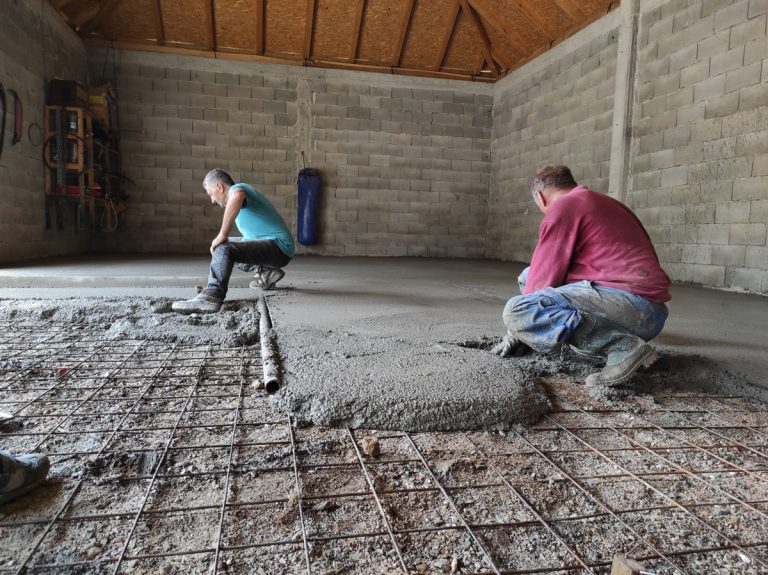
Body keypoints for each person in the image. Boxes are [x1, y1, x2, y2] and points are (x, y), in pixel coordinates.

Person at [492, 166, 671, 387]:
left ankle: (622, 348)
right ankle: (616, 341)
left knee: (517, 310)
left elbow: (541, 281)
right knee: (526, 276)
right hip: (651, 313)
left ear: (540, 197)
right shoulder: (607, 204)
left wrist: (517, 331)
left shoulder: (563, 208)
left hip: (630, 307)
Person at [173, 169, 295, 313]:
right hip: (275, 248)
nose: (212, 200)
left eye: (210, 194)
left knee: (224, 248)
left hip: (278, 246)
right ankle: (267, 273)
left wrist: (222, 234)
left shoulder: (237, 189)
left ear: (219, 186)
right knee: (221, 248)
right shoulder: (240, 197)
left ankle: (212, 295)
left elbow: (238, 195)